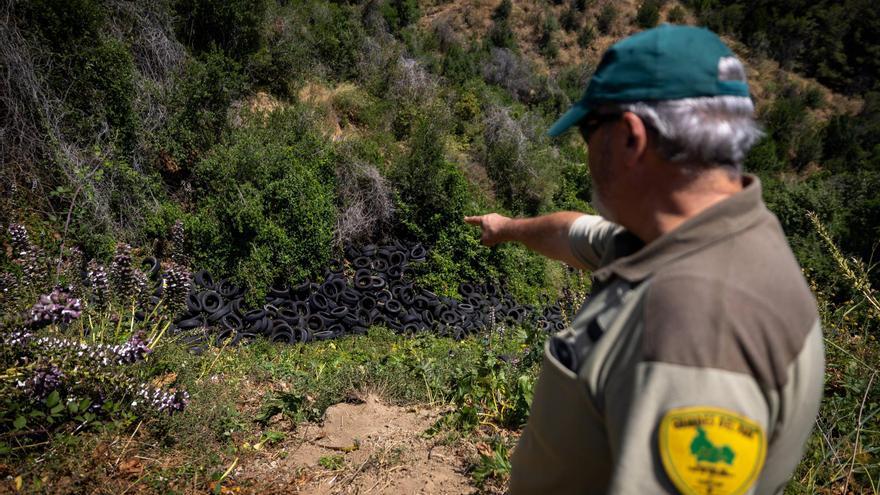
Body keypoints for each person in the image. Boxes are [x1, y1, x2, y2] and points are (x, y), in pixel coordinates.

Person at [465, 25, 824, 495]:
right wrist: (507, 227)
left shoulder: (698, 320)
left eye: (589, 132)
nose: (586, 152)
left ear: (631, 138)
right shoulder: (692, 242)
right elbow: (573, 234)